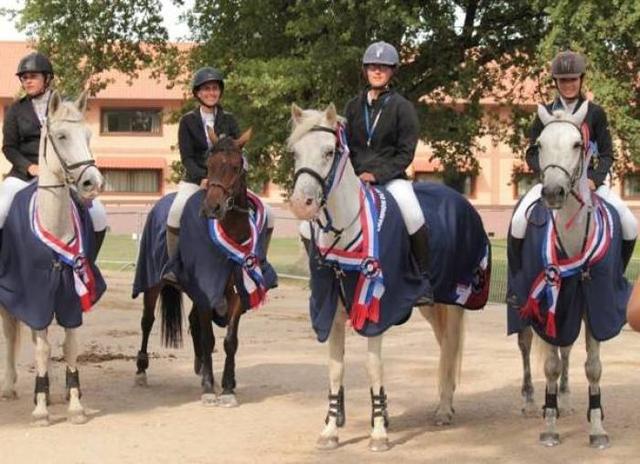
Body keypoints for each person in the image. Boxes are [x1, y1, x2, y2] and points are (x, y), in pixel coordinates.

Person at [510, 50, 637, 269]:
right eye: (563, 80)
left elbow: (607, 154)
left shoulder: (595, 113)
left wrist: (594, 180)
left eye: (573, 79)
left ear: (581, 80)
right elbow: (531, 153)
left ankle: (616, 276)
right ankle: (517, 284)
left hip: (588, 184)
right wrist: (546, 175)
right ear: (555, 82)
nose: (568, 84)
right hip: (552, 182)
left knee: (629, 223)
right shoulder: (545, 113)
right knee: (519, 220)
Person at [165, 67, 273, 281]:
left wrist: (241, 169)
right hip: (197, 180)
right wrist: (202, 178)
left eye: (214, 89)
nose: (211, 93)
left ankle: (260, 261)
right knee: (175, 212)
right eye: (206, 89)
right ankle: (173, 265)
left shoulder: (229, 120)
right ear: (197, 93)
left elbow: (237, 151)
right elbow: (187, 158)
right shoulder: (188, 121)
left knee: (268, 213)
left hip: (226, 181)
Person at [1, 51, 107, 252]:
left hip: (63, 175)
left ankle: (87, 264)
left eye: (33, 77)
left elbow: (77, 139)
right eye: (24, 78)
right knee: (1, 208)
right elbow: (9, 147)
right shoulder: (15, 110)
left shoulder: (65, 106)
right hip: (25, 174)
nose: (28, 81)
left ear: (47, 78)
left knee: (98, 214)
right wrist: (30, 167)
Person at [343, 41, 430, 276]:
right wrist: (355, 174)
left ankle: (421, 276)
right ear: (365, 71)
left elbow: (405, 153)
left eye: (384, 67)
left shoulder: (403, 108)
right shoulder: (352, 107)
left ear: (392, 71)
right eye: (372, 67)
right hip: (356, 177)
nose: (378, 71)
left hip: (391, 179)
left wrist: (377, 175)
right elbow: (346, 146)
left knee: (413, 213)